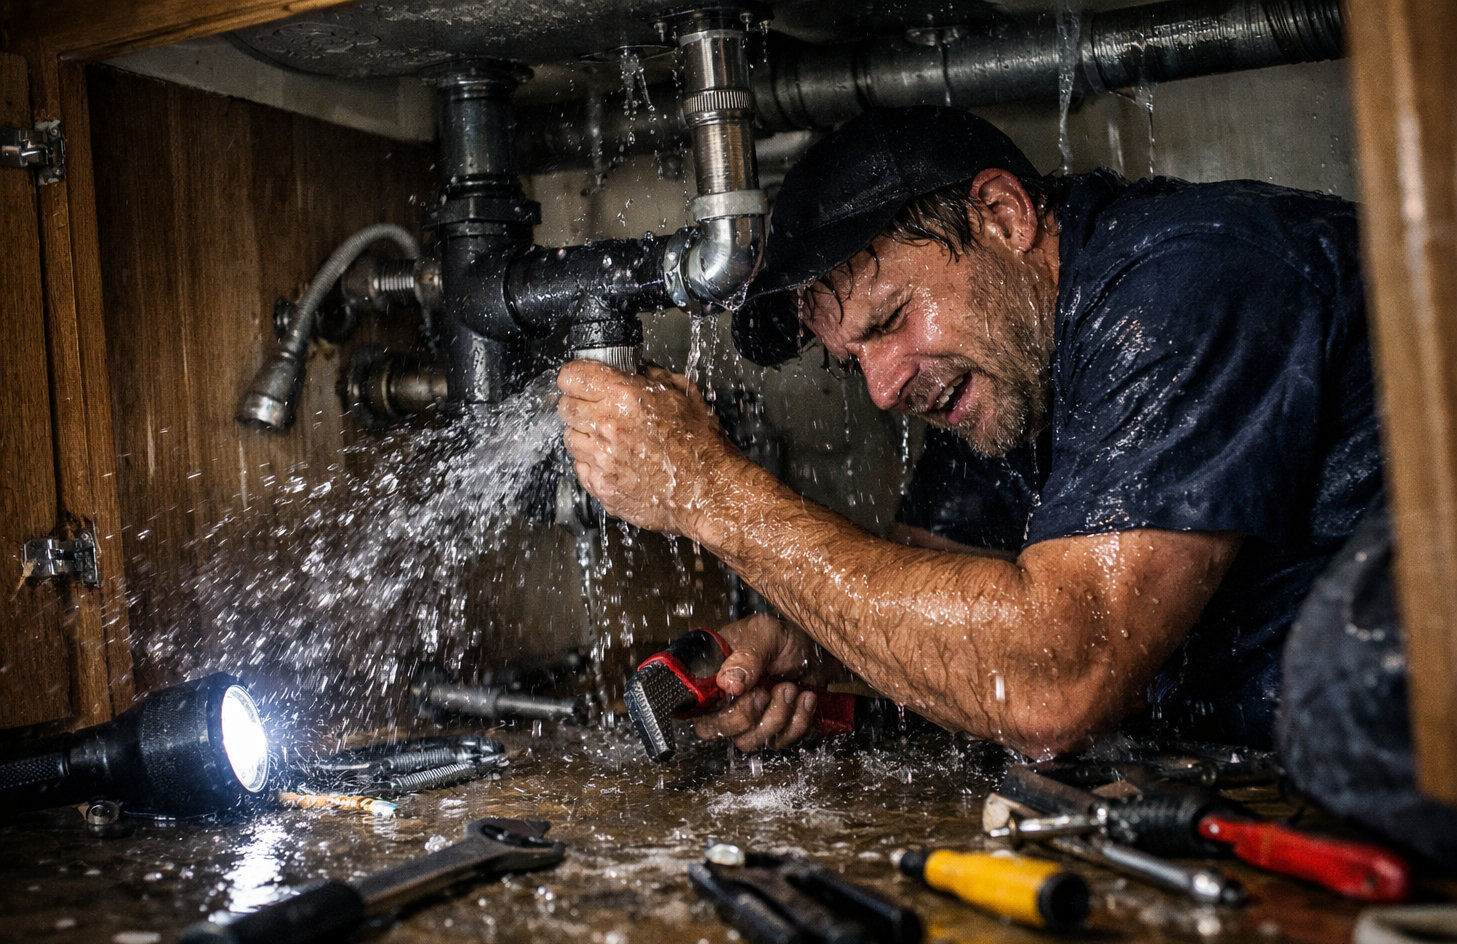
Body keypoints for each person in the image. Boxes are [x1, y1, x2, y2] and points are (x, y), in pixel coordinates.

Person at [557, 105, 1380, 759]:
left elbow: (1056, 679)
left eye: (890, 320)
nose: (884, 387)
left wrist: (708, 495)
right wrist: (815, 641)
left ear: (1003, 213)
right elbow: (937, 574)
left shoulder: (1185, 288)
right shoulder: (998, 360)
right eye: (853, 361)